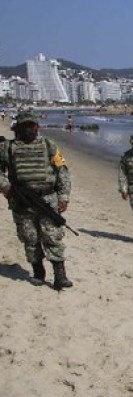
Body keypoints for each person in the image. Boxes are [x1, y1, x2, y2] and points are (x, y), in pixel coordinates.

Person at [0, 111, 73, 289]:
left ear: (37, 126)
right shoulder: (8, 148)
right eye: (25, 125)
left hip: (47, 199)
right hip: (21, 202)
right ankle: (38, 273)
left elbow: (62, 171)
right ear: (19, 127)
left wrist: (63, 196)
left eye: (32, 125)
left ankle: (60, 276)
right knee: (29, 238)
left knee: (53, 237)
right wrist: (5, 186)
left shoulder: (48, 145)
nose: (29, 129)